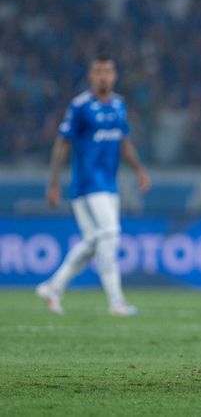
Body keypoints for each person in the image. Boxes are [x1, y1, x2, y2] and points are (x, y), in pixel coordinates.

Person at [36, 54, 151, 316]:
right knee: (110, 234)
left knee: (94, 241)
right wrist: (53, 183)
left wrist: (139, 170)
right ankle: (117, 302)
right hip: (88, 183)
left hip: (109, 184)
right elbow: (62, 144)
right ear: (90, 76)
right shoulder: (80, 106)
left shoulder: (119, 105)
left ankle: (52, 287)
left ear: (115, 75)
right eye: (98, 71)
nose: (103, 76)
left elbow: (124, 142)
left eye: (108, 71)